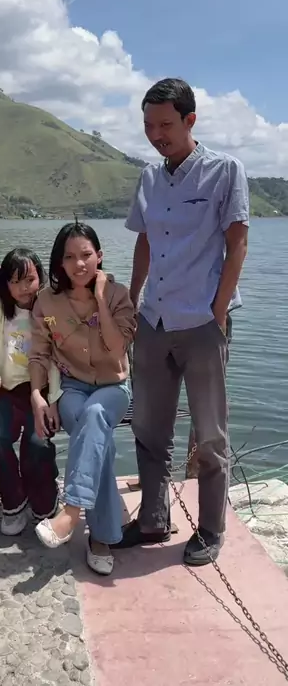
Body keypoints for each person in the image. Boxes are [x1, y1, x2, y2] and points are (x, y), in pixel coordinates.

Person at [115, 77, 249, 565]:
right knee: (149, 427)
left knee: (210, 434)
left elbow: (238, 242)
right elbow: (144, 241)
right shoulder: (149, 178)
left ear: (190, 120)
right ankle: (153, 519)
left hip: (201, 323)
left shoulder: (225, 171)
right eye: (148, 126)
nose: (156, 135)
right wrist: (132, 301)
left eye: (165, 125)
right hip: (153, 320)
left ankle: (210, 529)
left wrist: (218, 311)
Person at [29, 222, 135, 576]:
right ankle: (102, 537)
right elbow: (39, 354)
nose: (79, 264)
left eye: (86, 255)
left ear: (99, 257)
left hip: (113, 389)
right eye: (70, 257)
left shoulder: (118, 296)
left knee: (95, 416)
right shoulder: (47, 301)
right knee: (97, 436)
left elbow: (117, 350)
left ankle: (71, 512)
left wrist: (101, 299)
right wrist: (37, 395)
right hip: (72, 389)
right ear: (60, 262)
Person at [0, 248, 60, 535]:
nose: (23, 288)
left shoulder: (48, 306)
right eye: (14, 281)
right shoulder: (2, 305)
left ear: (40, 277)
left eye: (29, 279)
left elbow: (57, 354)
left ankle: (45, 503)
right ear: (6, 285)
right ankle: (14, 502)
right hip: (8, 391)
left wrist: (55, 398)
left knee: (37, 445)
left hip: (42, 393)